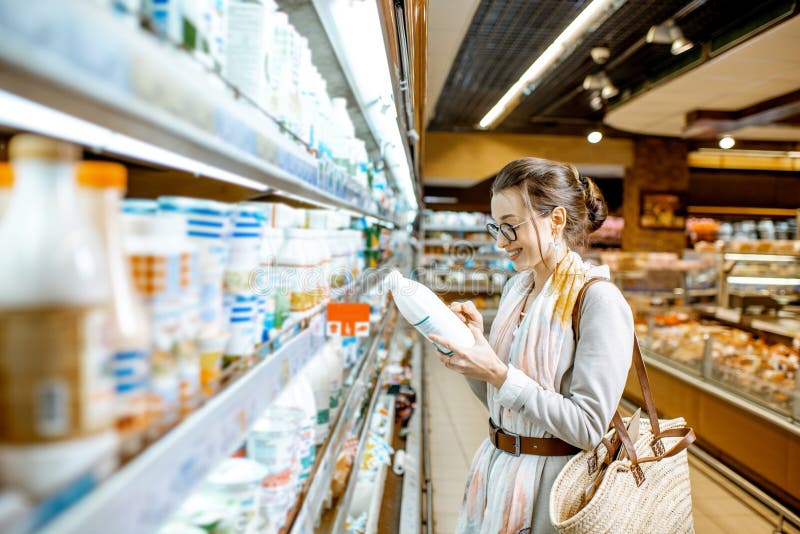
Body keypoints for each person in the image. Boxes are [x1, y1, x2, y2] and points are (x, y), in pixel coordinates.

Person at [428, 157, 634, 534]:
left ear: (555, 220)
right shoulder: (517, 290)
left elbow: (588, 427)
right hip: (497, 473)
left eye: (510, 227)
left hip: (551, 494)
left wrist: (500, 373)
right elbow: (501, 399)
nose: (500, 242)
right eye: (496, 228)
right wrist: (469, 349)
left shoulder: (598, 300)